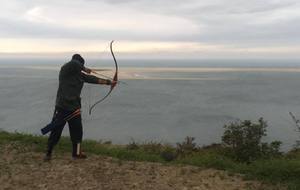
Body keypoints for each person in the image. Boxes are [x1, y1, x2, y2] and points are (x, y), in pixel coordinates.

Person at [43, 54, 115, 161]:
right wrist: (84, 68)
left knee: (77, 133)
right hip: (62, 108)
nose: (80, 68)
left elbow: (94, 79)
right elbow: (74, 63)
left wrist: (109, 82)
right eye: (80, 65)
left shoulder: (80, 75)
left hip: (74, 110)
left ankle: (76, 154)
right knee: (55, 131)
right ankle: (48, 153)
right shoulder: (65, 71)